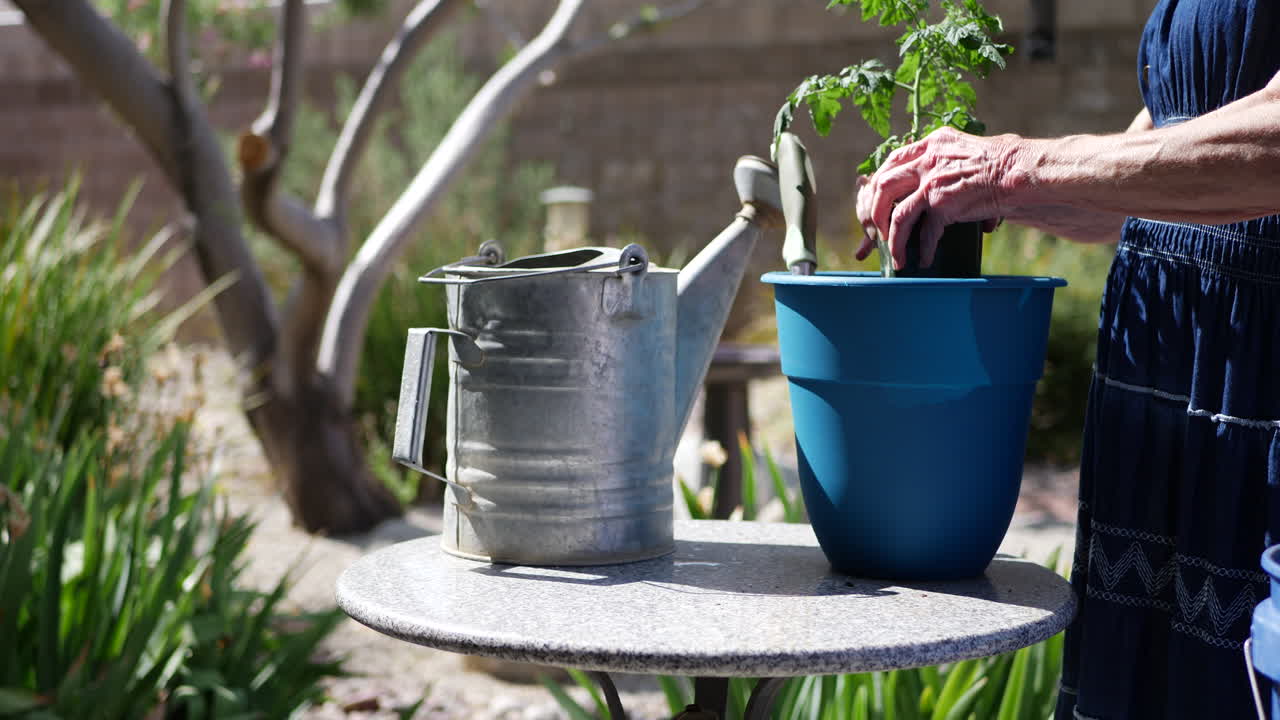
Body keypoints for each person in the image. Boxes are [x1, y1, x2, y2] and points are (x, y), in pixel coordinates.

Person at [854, 2, 1280, 718]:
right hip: (1167, 384)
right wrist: (971, 187)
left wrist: (1016, 168)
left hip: (1255, 378)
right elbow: (1134, 184)